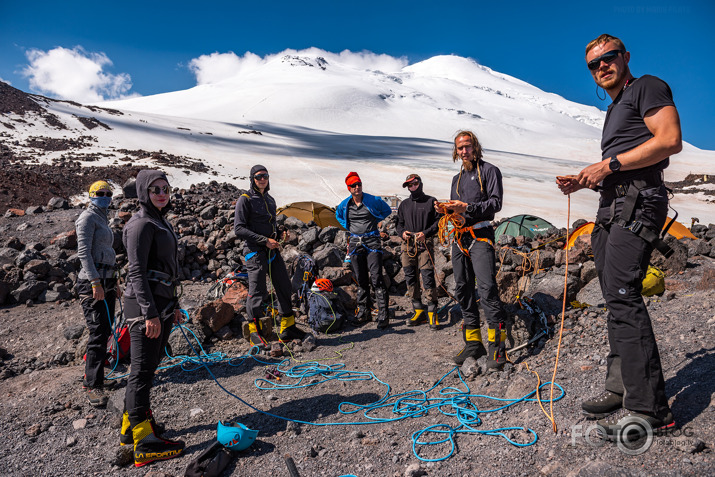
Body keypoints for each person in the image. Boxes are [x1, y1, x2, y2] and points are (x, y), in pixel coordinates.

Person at [556, 33, 680, 437]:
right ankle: (623, 388)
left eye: (608, 58)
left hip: (638, 202)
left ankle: (652, 411)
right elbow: (621, 161)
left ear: (625, 57)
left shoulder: (646, 86)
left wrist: (608, 166)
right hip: (612, 206)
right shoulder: (615, 108)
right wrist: (585, 179)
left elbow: (668, 141)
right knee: (614, 298)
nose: (601, 66)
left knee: (624, 296)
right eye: (593, 63)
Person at [121, 169, 184, 466]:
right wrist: (150, 314)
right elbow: (136, 272)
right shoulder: (141, 225)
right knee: (142, 370)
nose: (161, 193)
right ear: (143, 192)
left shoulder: (159, 220)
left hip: (161, 302)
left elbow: (166, 266)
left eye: (165, 188)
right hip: (144, 306)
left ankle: (130, 428)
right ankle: (144, 442)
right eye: (155, 189)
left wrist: (173, 305)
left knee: (149, 365)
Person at [437, 131, 507, 370]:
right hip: (459, 237)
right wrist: (446, 210)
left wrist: (467, 207)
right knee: (463, 289)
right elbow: (457, 211)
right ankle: (473, 343)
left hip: (480, 235)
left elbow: (495, 204)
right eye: (460, 148)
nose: (464, 151)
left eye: (467, 146)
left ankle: (497, 350)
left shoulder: (489, 171)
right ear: (455, 152)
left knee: (487, 289)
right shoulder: (456, 180)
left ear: (475, 147)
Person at [234, 165, 306, 347]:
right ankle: (254, 332)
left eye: (265, 176)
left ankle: (287, 328)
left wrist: (279, 233)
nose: (262, 179)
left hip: (271, 251)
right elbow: (239, 229)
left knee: (284, 286)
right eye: (258, 177)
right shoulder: (245, 199)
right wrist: (263, 240)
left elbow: (269, 225)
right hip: (255, 252)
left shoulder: (270, 200)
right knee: (257, 291)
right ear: (252, 179)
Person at [75, 180, 117, 408]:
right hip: (93, 282)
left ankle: (95, 377)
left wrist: (113, 281)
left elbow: (107, 251)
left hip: (107, 280)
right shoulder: (87, 218)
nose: (105, 196)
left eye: (108, 193)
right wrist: (94, 282)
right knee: (98, 331)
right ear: (91, 195)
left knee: (105, 329)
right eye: (100, 193)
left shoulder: (102, 218)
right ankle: (93, 386)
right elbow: (83, 252)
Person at [335, 172, 393, 329]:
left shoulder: (372, 200)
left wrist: (376, 219)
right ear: (349, 188)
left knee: (376, 277)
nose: (357, 187)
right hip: (355, 242)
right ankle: (364, 312)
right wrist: (348, 226)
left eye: (359, 184)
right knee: (361, 278)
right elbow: (338, 215)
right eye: (353, 185)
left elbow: (387, 210)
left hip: (372, 240)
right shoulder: (346, 204)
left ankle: (383, 315)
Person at [395, 174, 440, 329]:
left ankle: (432, 311)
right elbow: (399, 223)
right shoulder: (404, 204)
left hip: (424, 243)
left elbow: (438, 222)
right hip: (407, 244)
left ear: (420, 184)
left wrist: (425, 233)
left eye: (414, 184)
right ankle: (418, 311)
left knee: (427, 276)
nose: (412, 187)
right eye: (409, 185)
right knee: (410, 276)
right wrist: (402, 233)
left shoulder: (431, 201)